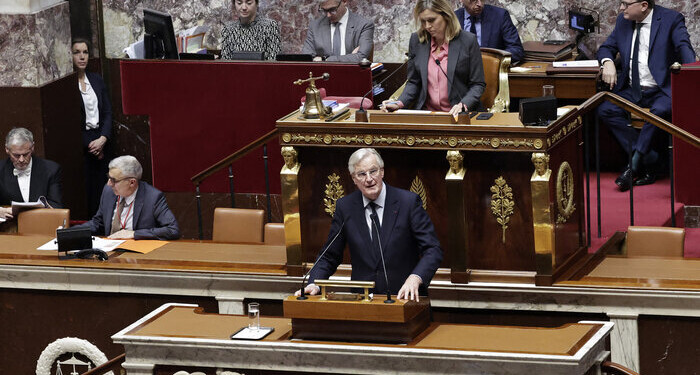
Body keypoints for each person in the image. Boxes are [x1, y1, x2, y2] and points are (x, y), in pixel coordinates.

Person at [296, 148, 443, 301]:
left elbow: (433, 249)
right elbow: (329, 255)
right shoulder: (346, 207)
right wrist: (314, 283)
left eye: (373, 171)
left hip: (405, 299)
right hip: (363, 303)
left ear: (382, 172)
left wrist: (416, 277)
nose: (369, 179)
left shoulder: (408, 202)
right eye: (361, 174)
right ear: (353, 178)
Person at [597, 0, 695, 191]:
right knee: (606, 109)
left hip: (662, 89)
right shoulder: (623, 21)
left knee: (658, 111)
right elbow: (606, 47)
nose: (621, 8)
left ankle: (634, 165)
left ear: (643, 5)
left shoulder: (671, 20)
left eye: (625, 3)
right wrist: (607, 62)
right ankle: (650, 159)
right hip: (631, 88)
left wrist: (690, 74)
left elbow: (685, 49)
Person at [382, 0, 485, 118]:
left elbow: (478, 84)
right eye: (423, 21)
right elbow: (413, 82)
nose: (427, 26)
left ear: (446, 16)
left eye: (431, 20)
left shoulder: (468, 41)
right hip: (427, 115)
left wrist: (463, 105)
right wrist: (399, 103)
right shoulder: (417, 40)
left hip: (458, 115)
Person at [73, 155, 180, 240]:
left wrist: (134, 234)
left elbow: (172, 230)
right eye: (109, 178)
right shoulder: (108, 191)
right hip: (109, 252)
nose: (109, 183)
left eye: (114, 180)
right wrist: (69, 232)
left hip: (137, 257)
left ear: (132, 182)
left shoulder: (152, 197)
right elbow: (98, 223)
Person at [72, 38, 113, 217]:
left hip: (101, 140)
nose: (82, 57)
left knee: (106, 190)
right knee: (89, 194)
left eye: (85, 52)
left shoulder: (96, 80)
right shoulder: (68, 85)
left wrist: (103, 138)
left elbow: (108, 113)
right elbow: (70, 121)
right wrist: (92, 145)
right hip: (83, 145)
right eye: (77, 52)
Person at [0, 128, 62, 219]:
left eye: (25, 154)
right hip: (10, 227)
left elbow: (56, 207)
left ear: (32, 147)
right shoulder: (1, 169)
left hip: (41, 224)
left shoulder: (51, 169)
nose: (21, 160)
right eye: (16, 155)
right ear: (7, 149)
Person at [302, 0, 375, 62]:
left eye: (332, 10)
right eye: (324, 10)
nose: (328, 15)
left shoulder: (364, 25)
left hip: (351, 74)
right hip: (322, 75)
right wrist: (350, 57)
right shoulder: (315, 26)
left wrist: (325, 59)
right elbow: (307, 58)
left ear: (344, 1)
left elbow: (361, 57)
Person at [455, 0, 524, 64]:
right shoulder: (453, 19)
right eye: (474, 0)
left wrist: (492, 60)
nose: (480, 4)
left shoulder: (500, 16)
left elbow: (517, 50)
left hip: (491, 71)